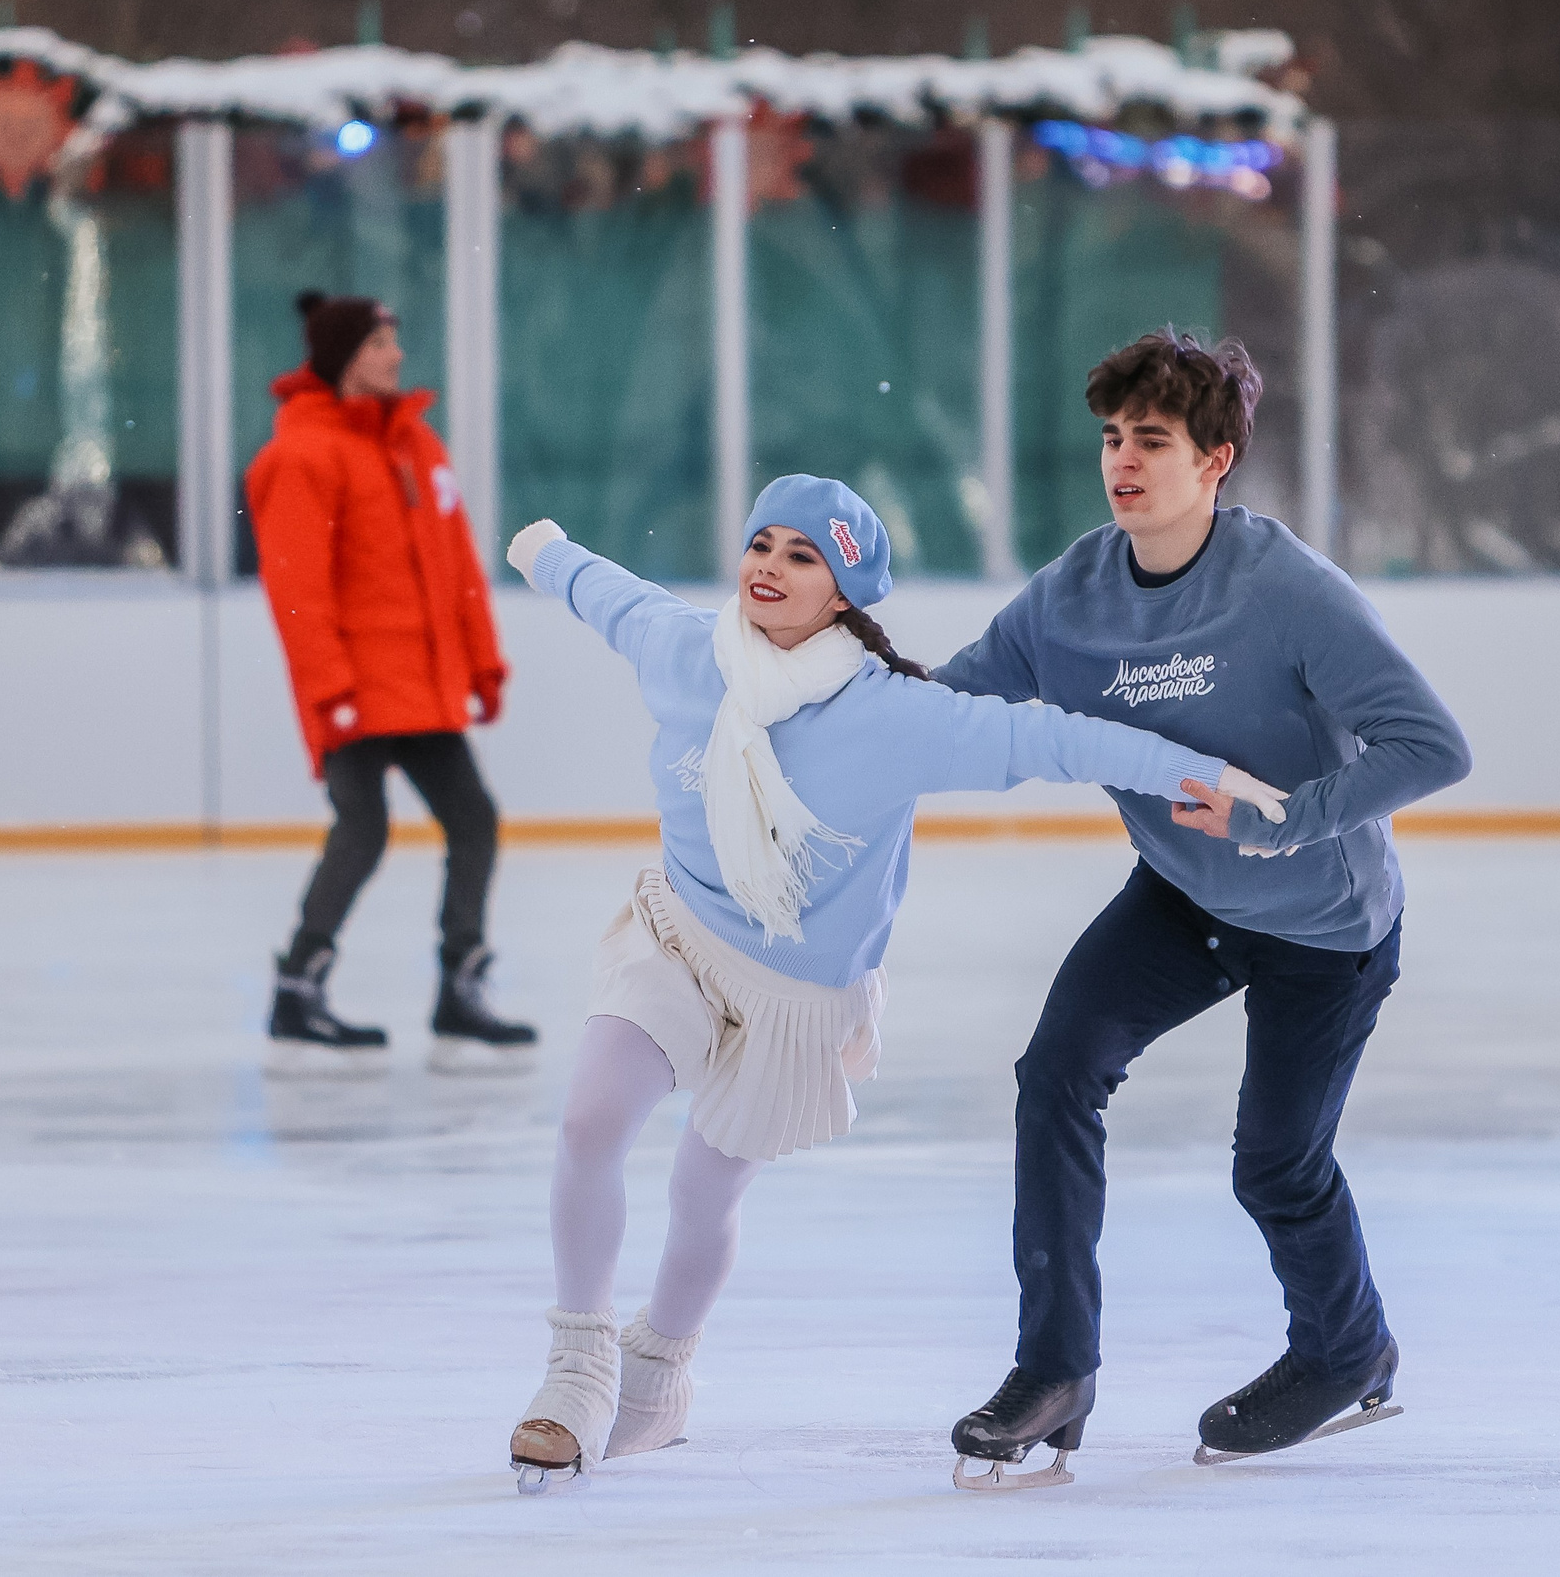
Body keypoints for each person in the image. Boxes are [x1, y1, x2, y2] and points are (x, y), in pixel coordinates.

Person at [498, 475, 1289, 1494]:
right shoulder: (684, 649)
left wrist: (1197, 773)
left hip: (800, 998)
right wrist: (543, 545)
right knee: (590, 1120)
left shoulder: (900, 717)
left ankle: (659, 1370)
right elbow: (603, 591)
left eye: (800, 556)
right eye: (761, 544)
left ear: (842, 594)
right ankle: (575, 1368)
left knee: (702, 1193)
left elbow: (1052, 740)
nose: (768, 568)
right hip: (679, 940)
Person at [934, 330, 1471, 1484]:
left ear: (1216, 459)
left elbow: (1434, 746)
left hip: (1325, 927)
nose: (1124, 461)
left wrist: (1286, 820)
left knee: (1274, 1167)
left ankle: (1346, 1351)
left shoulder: (1283, 589)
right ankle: (1054, 1369)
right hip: (1181, 897)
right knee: (1056, 1073)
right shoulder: (1071, 598)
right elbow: (951, 705)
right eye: (1113, 439)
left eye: (1155, 441)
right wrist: (818, 686)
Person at [245, 290, 535, 1076]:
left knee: (473, 819)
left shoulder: (416, 448)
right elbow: (296, 588)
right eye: (379, 343)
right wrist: (330, 685)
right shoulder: (300, 457)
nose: (395, 355)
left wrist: (481, 659)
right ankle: (298, 986)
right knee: (363, 827)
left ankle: (460, 984)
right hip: (357, 687)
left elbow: (458, 568)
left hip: (423, 682)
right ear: (345, 358)